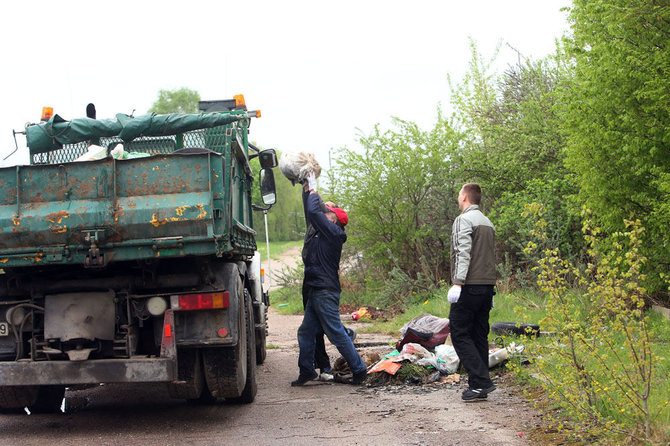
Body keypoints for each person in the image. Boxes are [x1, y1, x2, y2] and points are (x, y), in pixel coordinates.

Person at [291, 173, 367, 386]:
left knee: (334, 332)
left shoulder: (332, 232)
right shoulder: (322, 231)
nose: (324, 214)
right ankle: (307, 370)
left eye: (328, 212)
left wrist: (314, 189)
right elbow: (312, 211)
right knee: (306, 331)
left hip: (325, 291)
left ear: (333, 219)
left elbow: (315, 211)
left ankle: (359, 370)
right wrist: (306, 188)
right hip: (317, 289)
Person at [448, 183, 497, 401]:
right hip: (487, 287)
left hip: (469, 285)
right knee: (478, 334)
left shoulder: (464, 220)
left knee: (459, 332)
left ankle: (481, 382)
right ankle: (479, 384)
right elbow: (489, 258)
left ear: (465, 197)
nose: (458, 198)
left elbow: (462, 252)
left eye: (459, 195)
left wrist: (458, 283)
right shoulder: (488, 222)